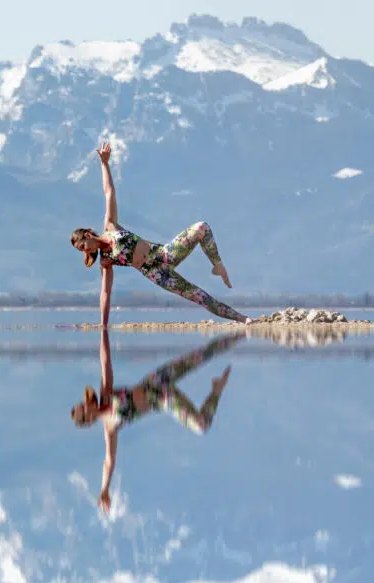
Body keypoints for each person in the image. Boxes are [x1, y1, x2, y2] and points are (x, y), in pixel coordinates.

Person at [70, 142, 252, 326]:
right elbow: (105, 293)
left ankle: (217, 265)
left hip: (163, 253)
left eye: (83, 247)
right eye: (81, 251)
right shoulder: (105, 261)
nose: (85, 251)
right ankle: (243, 319)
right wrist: (103, 325)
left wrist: (104, 164)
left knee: (201, 227)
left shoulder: (110, 226)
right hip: (157, 274)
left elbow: (109, 193)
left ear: (87, 235)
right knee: (200, 296)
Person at [70, 328, 243, 512]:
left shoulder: (105, 393)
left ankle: (243, 332)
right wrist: (104, 489)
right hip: (163, 399)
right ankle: (216, 390)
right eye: (83, 406)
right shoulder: (110, 427)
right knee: (201, 426)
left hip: (156, 381)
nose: (86, 402)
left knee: (201, 355)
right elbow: (108, 461)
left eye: (83, 402)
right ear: (88, 419)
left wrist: (103, 329)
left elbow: (105, 362)